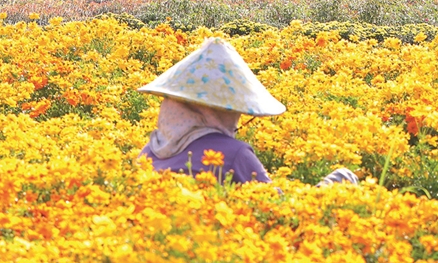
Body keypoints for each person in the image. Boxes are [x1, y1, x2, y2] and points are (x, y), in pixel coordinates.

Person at [138, 36, 356, 186]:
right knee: (343, 178)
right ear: (224, 111)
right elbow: (278, 212)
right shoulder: (233, 154)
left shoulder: (148, 152)